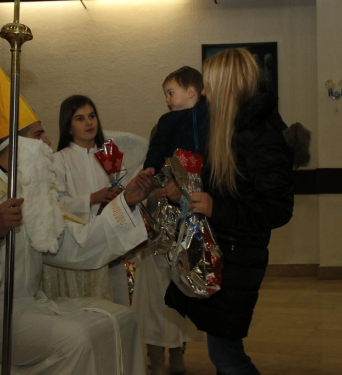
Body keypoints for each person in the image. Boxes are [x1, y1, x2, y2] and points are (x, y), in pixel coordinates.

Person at [0, 66, 154, 375]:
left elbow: (74, 244)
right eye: (39, 135)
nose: (48, 140)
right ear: (18, 145)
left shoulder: (33, 192)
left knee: (123, 319)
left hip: (31, 306)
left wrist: (125, 202)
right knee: (75, 340)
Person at [164, 49, 294, 375]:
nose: (204, 92)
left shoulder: (264, 137)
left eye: (209, 84)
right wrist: (183, 193)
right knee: (223, 351)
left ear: (228, 86)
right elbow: (216, 189)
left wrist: (215, 206)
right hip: (219, 253)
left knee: (226, 355)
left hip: (239, 259)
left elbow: (277, 209)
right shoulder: (227, 130)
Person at [135, 66, 207, 375]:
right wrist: (160, 190)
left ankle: (178, 356)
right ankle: (157, 359)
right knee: (154, 302)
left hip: (183, 235)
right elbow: (142, 194)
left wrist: (184, 193)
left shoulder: (194, 153)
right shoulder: (153, 163)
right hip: (155, 243)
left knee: (182, 298)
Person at [51, 94, 129, 305]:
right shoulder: (59, 159)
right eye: (80, 118)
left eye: (92, 116)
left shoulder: (110, 156)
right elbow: (55, 205)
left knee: (118, 305)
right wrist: (92, 198)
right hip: (79, 247)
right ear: (68, 127)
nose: (88, 122)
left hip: (111, 240)